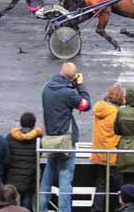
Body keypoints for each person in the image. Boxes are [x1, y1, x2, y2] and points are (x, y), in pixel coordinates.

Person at [40, 62, 91, 212]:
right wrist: (80, 86)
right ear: (73, 77)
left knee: (46, 180)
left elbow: (60, 100)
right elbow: (85, 105)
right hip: (66, 142)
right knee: (65, 180)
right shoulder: (69, 93)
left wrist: (71, 85)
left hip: (50, 141)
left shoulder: (46, 88)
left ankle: (41, 208)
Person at [90, 85, 125, 212]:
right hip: (114, 156)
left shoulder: (99, 109)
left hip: (99, 155)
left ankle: (96, 210)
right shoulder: (118, 113)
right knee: (120, 188)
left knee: (101, 186)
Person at [4, 113, 42, 211]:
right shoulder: (37, 140)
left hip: (12, 182)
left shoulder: (10, 137)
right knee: (26, 207)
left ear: (20, 123)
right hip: (29, 182)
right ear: (33, 124)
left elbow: (6, 158)